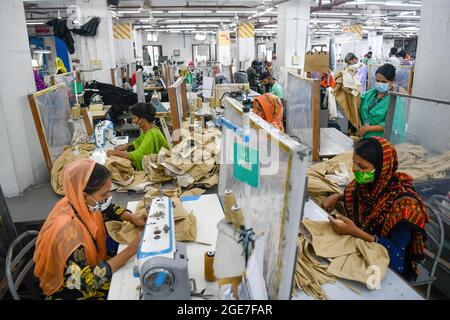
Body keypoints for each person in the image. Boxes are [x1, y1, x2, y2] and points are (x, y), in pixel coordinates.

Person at [33, 159, 145, 299]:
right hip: (70, 289)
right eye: (104, 194)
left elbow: (107, 208)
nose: (109, 197)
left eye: (108, 192)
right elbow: (88, 283)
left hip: (85, 272)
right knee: (130, 289)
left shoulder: (76, 201)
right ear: (84, 195)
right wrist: (132, 250)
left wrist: (132, 217)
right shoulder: (69, 234)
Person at [321, 137, 429, 280]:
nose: (356, 170)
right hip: (365, 251)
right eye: (354, 163)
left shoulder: (405, 206)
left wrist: (355, 231)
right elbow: (354, 193)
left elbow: (398, 258)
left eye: (362, 167)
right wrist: (337, 196)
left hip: (391, 269)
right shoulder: (365, 185)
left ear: (382, 168)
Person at [106, 102, 170, 171]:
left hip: (160, 168)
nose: (132, 121)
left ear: (143, 119)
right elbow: (138, 141)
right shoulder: (149, 128)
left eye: (134, 118)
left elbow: (137, 155)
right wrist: (127, 146)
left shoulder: (151, 135)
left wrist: (115, 153)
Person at [357, 63, 406, 143]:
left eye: (383, 81)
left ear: (393, 81)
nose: (379, 84)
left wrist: (366, 129)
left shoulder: (395, 100)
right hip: (366, 138)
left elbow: (390, 124)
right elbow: (358, 105)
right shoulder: (370, 94)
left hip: (382, 141)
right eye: (377, 81)